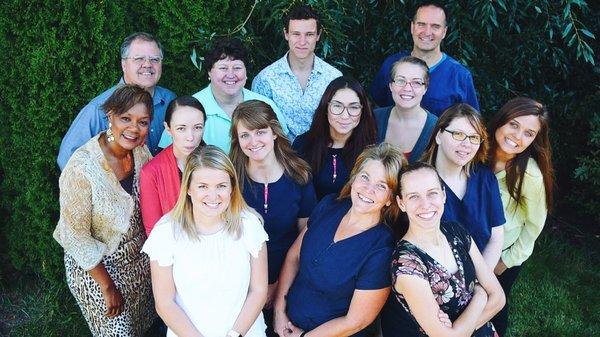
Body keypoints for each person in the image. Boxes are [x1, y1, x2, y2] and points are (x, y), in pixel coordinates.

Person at [53, 85, 155, 336]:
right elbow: (75, 236)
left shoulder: (140, 152)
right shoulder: (82, 167)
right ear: (109, 115)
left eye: (142, 122)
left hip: (138, 262)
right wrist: (107, 286)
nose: (134, 128)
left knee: (142, 327)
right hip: (97, 268)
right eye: (125, 119)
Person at [274, 143, 405, 337]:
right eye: (365, 177)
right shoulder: (329, 205)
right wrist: (278, 312)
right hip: (286, 325)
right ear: (353, 178)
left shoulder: (382, 249)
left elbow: (355, 321)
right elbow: (294, 256)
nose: (368, 189)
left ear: (390, 199)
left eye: (381, 186)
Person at [142, 145, 268, 337]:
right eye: (203, 186)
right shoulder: (166, 233)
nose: (213, 196)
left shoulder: (249, 225)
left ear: (232, 188)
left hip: (243, 332)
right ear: (189, 188)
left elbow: (258, 290)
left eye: (221, 186)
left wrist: (235, 334)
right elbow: (165, 303)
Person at [381, 162, 505, 337]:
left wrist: (460, 330)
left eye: (432, 193)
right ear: (401, 203)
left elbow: (499, 298)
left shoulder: (456, 231)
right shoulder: (407, 264)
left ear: (444, 195)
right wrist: (480, 295)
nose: (425, 204)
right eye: (413, 196)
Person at [230, 100, 318, 336]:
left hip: (289, 280)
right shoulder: (230, 178)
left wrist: (279, 286)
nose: (253, 141)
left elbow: (305, 237)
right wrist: (257, 288)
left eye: (260, 132)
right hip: (239, 283)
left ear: (275, 132)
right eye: (245, 135)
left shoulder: (299, 173)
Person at [58, 32, 176, 170]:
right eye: (139, 59)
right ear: (124, 64)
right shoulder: (99, 108)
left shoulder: (170, 101)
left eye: (155, 59)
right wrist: (102, 187)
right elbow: (68, 159)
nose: (147, 64)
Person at [488, 98, 554, 336]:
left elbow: (534, 227)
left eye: (528, 133)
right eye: (514, 125)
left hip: (503, 254)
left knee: (493, 307)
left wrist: (505, 262)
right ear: (501, 120)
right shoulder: (476, 151)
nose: (517, 136)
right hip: (468, 247)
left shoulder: (531, 176)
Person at [158, 38, 289, 153]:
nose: (231, 75)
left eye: (237, 68)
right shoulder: (189, 108)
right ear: (209, 72)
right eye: (223, 68)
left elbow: (284, 148)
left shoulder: (264, 105)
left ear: (246, 72)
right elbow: (166, 157)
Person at [421, 103, 505, 269]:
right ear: (439, 135)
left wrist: (482, 285)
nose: (467, 144)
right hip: (435, 280)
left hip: (481, 274)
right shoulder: (418, 181)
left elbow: (496, 238)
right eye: (458, 134)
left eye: (474, 137)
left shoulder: (485, 179)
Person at [369, 2, 479, 116]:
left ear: (444, 32)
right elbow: (377, 106)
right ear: (412, 27)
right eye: (421, 24)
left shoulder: (460, 76)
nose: (427, 32)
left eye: (435, 26)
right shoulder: (391, 64)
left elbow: (472, 123)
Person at [252, 4, 342, 141]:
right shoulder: (265, 80)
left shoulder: (334, 78)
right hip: (280, 158)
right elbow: (257, 126)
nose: (302, 42)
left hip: (323, 155)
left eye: (309, 34)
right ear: (286, 34)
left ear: (318, 35)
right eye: (296, 34)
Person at [293, 76, 377, 200]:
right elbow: (294, 194)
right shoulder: (303, 144)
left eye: (353, 107)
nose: (344, 115)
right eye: (337, 106)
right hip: (310, 218)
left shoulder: (372, 149)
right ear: (326, 108)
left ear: (362, 111)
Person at [140, 96, 206, 236]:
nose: (190, 137)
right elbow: (154, 230)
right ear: (168, 129)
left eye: (197, 128)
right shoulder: (151, 172)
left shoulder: (217, 163)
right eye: (181, 128)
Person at [374, 56, 438, 163]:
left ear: (425, 88)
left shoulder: (437, 128)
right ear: (391, 85)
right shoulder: (373, 119)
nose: (407, 88)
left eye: (416, 82)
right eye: (400, 80)